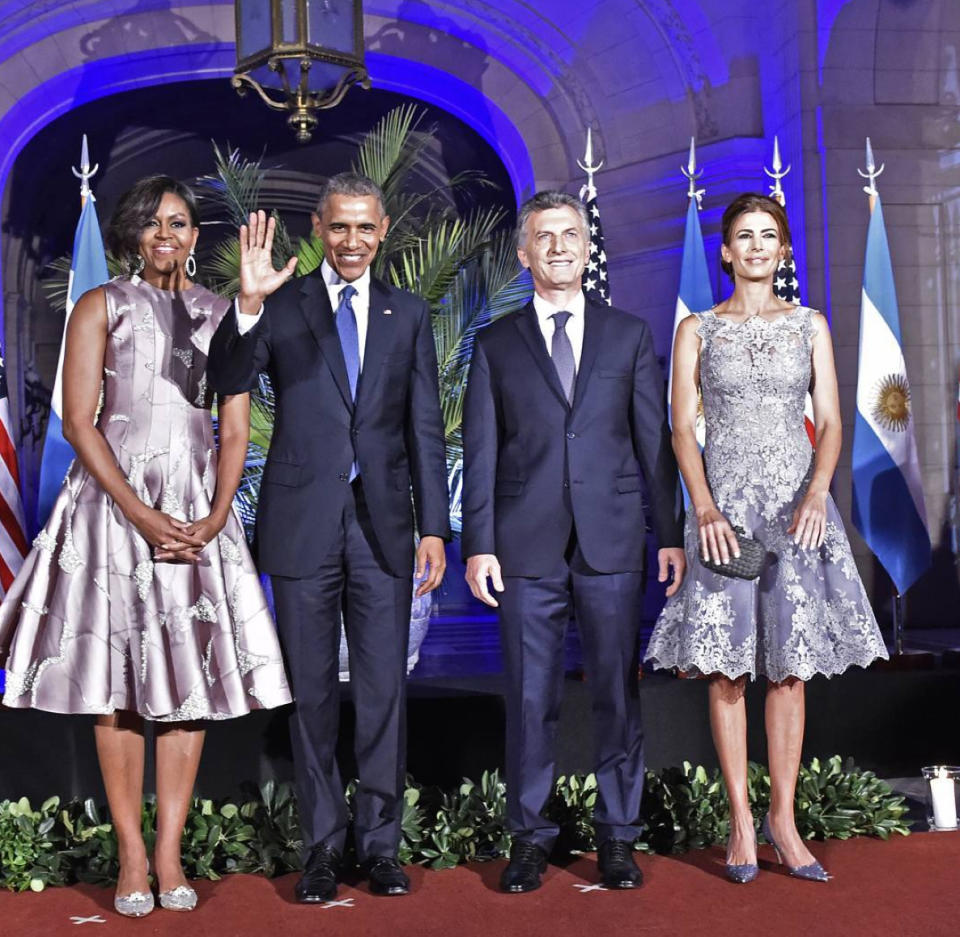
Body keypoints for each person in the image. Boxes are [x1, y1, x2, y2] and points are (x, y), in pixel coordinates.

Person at [0, 175, 292, 917]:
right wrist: (138, 513)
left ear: (196, 237)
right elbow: (78, 420)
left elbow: (234, 425)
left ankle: (170, 850)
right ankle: (130, 850)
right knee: (121, 688)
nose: (168, 234)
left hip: (199, 510)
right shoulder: (101, 305)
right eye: (155, 223)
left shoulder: (225, 312)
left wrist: (218, 512)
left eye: (181, 222)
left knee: (187, 691)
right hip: (116, 510)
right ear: (133, 236)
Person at [207, 172, 450, 902]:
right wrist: (247, 303)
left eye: (364, 227)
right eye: (338, 227)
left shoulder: (409, 313)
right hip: (302, 526)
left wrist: (435, 526)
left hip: (386, 530)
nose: (351, 241)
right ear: (319, 229)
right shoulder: (281, 306)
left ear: (383, 232)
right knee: (310, 696)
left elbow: (426, 431)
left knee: (382, 694)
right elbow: (226, 375)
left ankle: (380, 847)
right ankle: (320, 848)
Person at [645, 193, 888, 884]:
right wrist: (704, 509)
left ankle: (784, 817)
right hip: (723, 512)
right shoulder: (698, 329)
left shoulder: (811, 324)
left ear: (784, 249)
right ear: (724, 251)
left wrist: (816, 493)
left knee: (787, 665)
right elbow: (682, 430)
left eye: (768, 235)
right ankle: (742, 823)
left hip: (794, 510)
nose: (756, 246)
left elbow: (834, 421)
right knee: (726, 665)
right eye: (744, 236)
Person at [462, 190, 685, 893]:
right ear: (524, 254)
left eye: (570, 234)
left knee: (617, 693)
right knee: (531, 699)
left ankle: (618, 836)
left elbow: (654, 442)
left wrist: (669, 533)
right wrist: (479, 542)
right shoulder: (496, 344)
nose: (559, 246)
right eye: (544, 236)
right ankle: (529, 838)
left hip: (613, 542)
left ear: (587, 249)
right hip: (525, 548)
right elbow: (482, 450)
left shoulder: (625, 334)